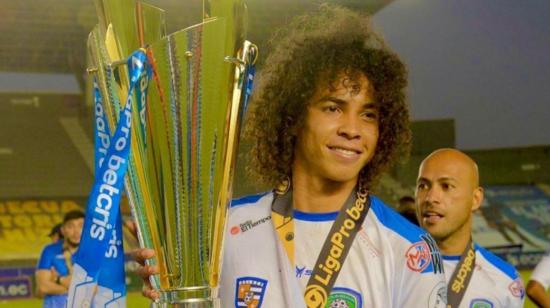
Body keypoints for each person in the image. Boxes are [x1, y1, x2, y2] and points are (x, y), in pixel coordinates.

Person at [138, 5, 446, 307]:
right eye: (333, 108)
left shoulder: (409, 249)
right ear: (294, 116)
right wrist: (171, 291)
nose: (353, 129)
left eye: (368, 114)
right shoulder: (221, 234)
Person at [415, 148, 525, 307]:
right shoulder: (388, 267)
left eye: (446, 186)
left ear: (475, 199)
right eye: (423, 186)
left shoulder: (505, 283)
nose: (430, 198)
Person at [36, 210, 85, 307]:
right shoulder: (50, 251)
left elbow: (95, 288)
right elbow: (43, 287)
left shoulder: (93, 252)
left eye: (81, 226)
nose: (76, 232)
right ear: (63, 230)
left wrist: (58, 280)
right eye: (71, 226)